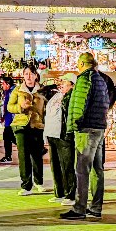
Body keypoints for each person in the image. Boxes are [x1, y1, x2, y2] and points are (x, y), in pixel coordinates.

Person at [61, 52, 114, 221]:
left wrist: (75, 123)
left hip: (86, 129)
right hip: (99, 127)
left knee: (82, 169)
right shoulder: (100, 79)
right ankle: (96, 207)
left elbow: (80, 103)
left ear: (83, 64)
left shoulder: (84, 79)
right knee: (97, 169)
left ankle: (80, 208)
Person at [8, 65, 47, 195]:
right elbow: (9, 107)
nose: (29, 76)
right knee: (23, 155)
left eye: (31, 73)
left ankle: (39, 182)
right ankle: (26, 185)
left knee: (37, 155)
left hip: (37, 125)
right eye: (26, 74)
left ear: (36, 75)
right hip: (21, 125)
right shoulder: (18, 90)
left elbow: (47, 108)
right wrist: (20, 107)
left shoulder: (42, 90)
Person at [44, 73, 77, 205]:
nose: (61, 84)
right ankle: (59, 192)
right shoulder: (57, 95)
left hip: (63, 135)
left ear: (72, 85)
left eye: (65, 82)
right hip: (52, 134)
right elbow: (42, 91)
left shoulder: (71, 97)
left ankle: (71, 194)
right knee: (55, 165)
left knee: (67, 165)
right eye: (61, 81)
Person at [0, 75, 16, 164]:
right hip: (9, 118)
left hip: (11, 119)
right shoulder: (8, 92)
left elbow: (9, 106)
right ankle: (8, 156)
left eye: (3, 84)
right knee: (9, 137)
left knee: (9, 137)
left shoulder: (12, 93)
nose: (2, 86)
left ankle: (8, 156)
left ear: (8, 84)